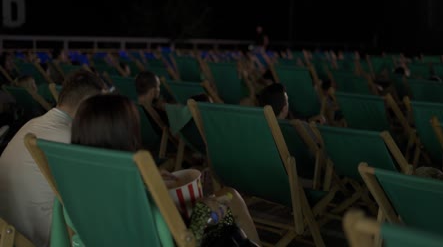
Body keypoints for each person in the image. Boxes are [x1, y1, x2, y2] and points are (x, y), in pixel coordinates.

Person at [72, 94, 261, 246]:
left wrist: (143, 179)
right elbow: (184, 240)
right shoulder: (138, 202)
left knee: (227, 196)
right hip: (185, 237)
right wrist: (206, 214)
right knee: (228, 204)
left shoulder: (73, 187)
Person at [0, 70, 105, 247]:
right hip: (40, 238)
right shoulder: (70, 138)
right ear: (86, 104)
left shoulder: (31, 125)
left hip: (8, 231)